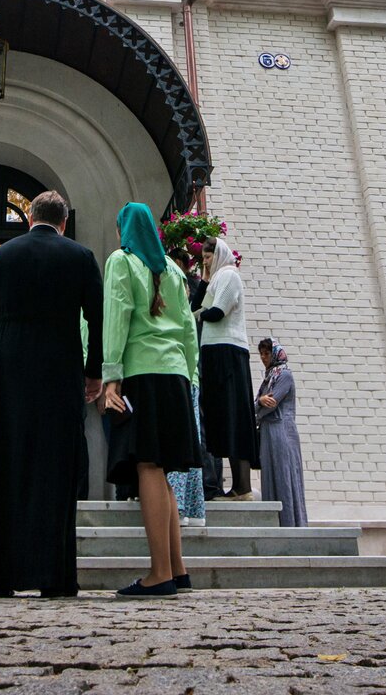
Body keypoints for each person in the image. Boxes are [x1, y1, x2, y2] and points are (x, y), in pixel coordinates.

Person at [0, 190, 103, 598]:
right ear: (63, 223)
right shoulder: (80, 257)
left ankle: (1, 576)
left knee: (6, 461)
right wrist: (93, 373)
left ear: (30, 218)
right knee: (55, 464)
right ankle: (53, 576)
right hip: (60, 364)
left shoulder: (1, 257)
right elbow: (97, 319)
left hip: (10, 364)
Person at [102, 202, 201, 598]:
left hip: (142, 373)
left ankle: (158, 573)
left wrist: (112, 376)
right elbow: (189, 329)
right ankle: (177, 568)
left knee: (147, 465)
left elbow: (116, 314)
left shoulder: (122, 261)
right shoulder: (175, 270)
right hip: (175, 375)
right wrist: (191, 375)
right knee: (162, 470)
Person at [197, 236, 259, 499]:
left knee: (234, 416)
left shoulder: (230, 275)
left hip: (228, 352)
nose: (206, 263)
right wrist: (202, 279)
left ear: (219, 253)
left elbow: (216, 312)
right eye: (203, 259)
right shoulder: (214, 280)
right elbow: (197, 304)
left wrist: (193, 316)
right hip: (213, 353)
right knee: (221, 416)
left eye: (208, 257)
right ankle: (234, 485)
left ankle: (242, 486)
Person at [164, 248, 207, 527]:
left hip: (179, 379)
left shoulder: (171, 313)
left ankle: (179, 507)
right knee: (190, 446)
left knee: (178, 446)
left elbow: (187, 347)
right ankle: (194, 509)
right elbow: (191, 346)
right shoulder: (185, 315)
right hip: (188, 379)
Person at [254, 338, 307, 527]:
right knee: (270, 475)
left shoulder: (284, 375)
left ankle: (290, 523)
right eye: (261, 354)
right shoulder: (269, 377)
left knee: (285, 476)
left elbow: (271, 403)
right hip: (268, 433)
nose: (263, 358)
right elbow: (260, 402)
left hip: (282, 431)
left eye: (266, 354)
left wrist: (258, 405)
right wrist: (259, 403)